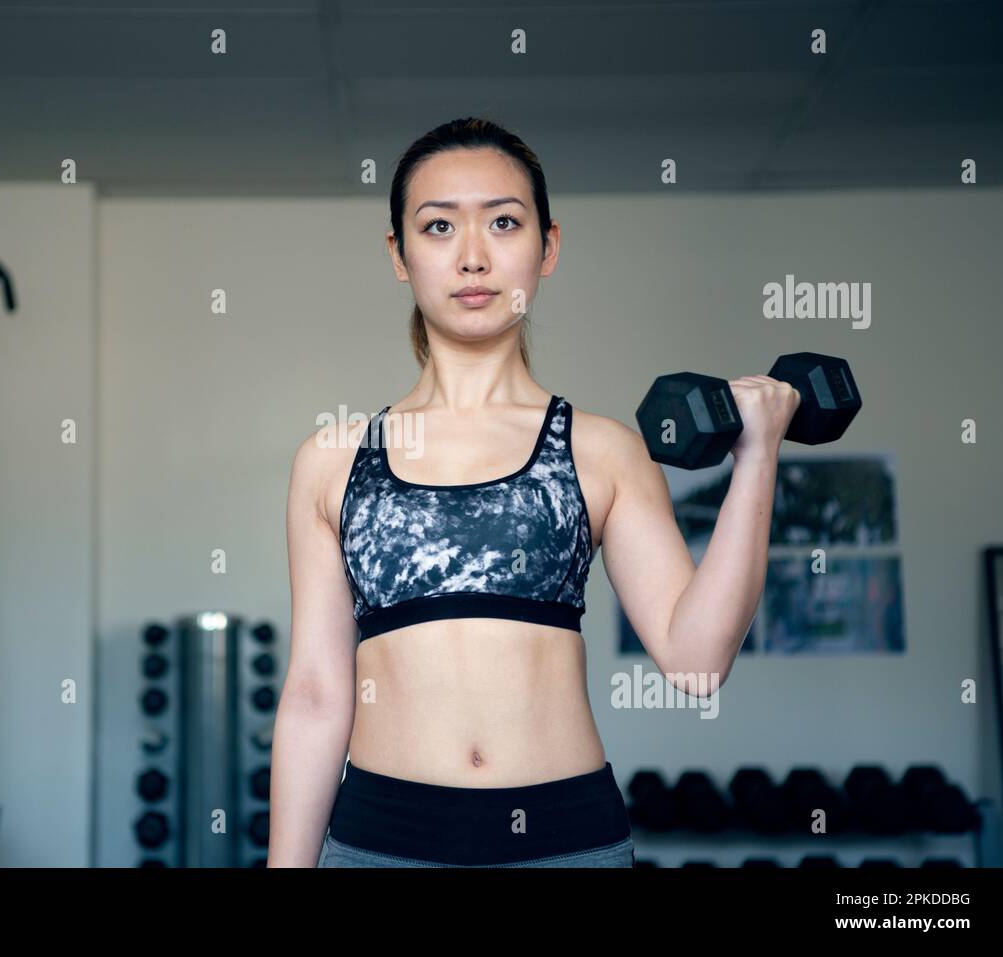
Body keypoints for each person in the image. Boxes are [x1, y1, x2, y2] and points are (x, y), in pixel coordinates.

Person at [267, 116, 800, 868]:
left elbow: (697, 659)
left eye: (504, 222)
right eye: (439, 226)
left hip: (565, 840)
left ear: (547, 246)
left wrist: (758, 457)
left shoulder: (602, 449)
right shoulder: (332, 458)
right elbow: (318, 694)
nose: (474, 256)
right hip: (383, 840)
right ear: (399, 253)